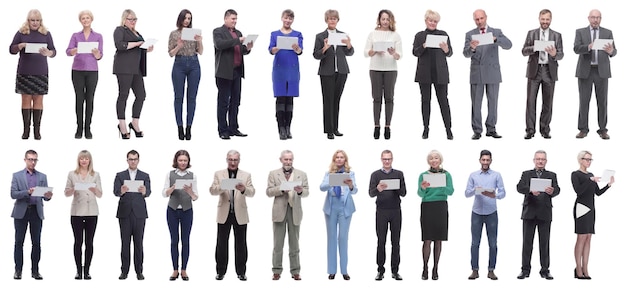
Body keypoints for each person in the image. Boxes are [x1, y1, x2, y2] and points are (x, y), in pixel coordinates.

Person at [463, 9, 512, 140]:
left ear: (486, 17)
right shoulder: (470, 34)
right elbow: (465, 53)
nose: (479, 21)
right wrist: (472, 47)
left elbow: (509, 45)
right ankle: (477, 130)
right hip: (477, 72)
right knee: (476, 103)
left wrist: (496, 39)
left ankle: (491, 128)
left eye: (481, 18)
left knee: (493, 102)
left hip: (493, 72)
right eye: (476, 19)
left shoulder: (496, 31)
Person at [10, 9, 56, 140]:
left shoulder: (46, 34)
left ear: (40, 21)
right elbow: (11, 49)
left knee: (38, 100)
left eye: (37, 20)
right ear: (28, 20)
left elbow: (54, 51)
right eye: (32, 20)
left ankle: (37, 131)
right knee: (25, 99)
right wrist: (19, 46)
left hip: (40, 71)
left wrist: (49, 53)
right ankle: (26, 130)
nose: (35, 23)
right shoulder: (21, 33)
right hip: (25, 71)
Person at [210, 150, 256, 281]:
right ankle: (220, 271)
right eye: (230, 159)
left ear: (239, 161)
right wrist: (222, 186)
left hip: (240, 213)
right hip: (224, 213)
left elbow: (252, 192)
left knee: (241, 244)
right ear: (227, 160)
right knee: (221, 244)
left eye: (235, 160)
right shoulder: (219, 174)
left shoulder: (246, 175)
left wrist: (243, 189)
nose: (233, 162)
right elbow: (212, 191)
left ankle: (241, 272)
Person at [515, 150, 560, 280]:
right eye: (538, 159)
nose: (540, 161)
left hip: (545, 213)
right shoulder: (526, 174)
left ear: (546, 161)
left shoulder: (552, 175)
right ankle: (525, 270)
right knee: (527, 243)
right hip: (529, 212)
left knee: (544, 243)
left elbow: (557, 189)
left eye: (543, 159)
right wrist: (529, 190)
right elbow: (519, 187)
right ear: (534, 160)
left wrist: (552, 191)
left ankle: (545, 270)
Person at [266, 150, 309, 280]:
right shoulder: (273, 173)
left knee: (294, 243)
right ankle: (276, 270)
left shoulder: (301, 174)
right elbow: (268, 192)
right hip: (279, 211)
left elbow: (307, 192)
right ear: (281, 160)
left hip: (295, 210)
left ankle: (295, 271)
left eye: (290, 159)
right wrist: (281, 189)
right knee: (278, 244)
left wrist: (301, 191)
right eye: (286, 159)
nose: (288, 162)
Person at [574, 9, 617, 140]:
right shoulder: (580, 32)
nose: (595, 20)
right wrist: (588, 47)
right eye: (593, 17)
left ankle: (603, 129)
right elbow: (576, 48)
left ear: (601, 19)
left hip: (601, 71)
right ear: (588, 18)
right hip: (585, 71)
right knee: (584, 101)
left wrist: (611, 51)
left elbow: (614, 51)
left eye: (598, 17)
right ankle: (583, 129)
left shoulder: (607, 32)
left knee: (602, 102)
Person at [11, 149, 53, 280]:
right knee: (19, 242)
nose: (33, 162)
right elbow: (13, 194)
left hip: (36, 211)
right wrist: (27, 192)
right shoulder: (17, 175)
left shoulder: (42, 176)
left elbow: (45, 197)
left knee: (36, 243)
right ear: (25, 160)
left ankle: (35, 271)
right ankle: (18, 270)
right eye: (30, 159)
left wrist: (48, 196)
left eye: (35, 159)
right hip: (21, 212)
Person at [572, 150, 614, 279]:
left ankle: (586, 268)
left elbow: (598, 193)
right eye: (587, 159)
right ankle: (578, 269)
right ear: (580, 160)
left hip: (591, 208)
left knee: (589, 238)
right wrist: (590, 180)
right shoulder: (576, 174)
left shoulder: (591, 175)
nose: (589, 162)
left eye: (590, 159)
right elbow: (578, 191)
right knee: (581, 238)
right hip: (581, 208)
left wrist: (608, 185)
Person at [521, 9, 563, 140]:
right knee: (530, 102)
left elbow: (561, 54)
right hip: (534, 71)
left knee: (548, 103)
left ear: (551, 20)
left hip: (549, 71)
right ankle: (530, 130)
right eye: (543, 19)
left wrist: (554, 54)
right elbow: (523, 51)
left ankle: (545, 129)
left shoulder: (557, 35)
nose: (545, 22)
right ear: (539, 19)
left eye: (547, 19)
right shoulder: (531, 33)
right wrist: (535, 47)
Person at [464, 149, 506, 280]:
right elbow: (466, 193)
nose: (485, 162)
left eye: (488, 160)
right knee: (475, 243)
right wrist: (474, 190)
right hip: (476, 212)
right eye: (483, 160)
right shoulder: (473, 175)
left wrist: (495, 195)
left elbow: (503, 193)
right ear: (480, 160)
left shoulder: (496, 175)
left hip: (491, 212)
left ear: (491, 161)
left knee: (493, 243)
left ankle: (491, 270)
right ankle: (474, 270)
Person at [313, 10, 354, 140]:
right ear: (326, 20)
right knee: (328, 100)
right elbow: (316, 55)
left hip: (341, 71)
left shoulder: (342, 35)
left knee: (336, 100)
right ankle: (329, 130)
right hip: (327, 72)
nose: (332, 21)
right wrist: (325, 48)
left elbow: (350, 53)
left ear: (337, 20)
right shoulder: (320, 36)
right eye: (330, 18)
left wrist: (348, 45)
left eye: (335, 19)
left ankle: (335, 128)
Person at [113, 9, 153, 139]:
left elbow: (138, 49)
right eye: (130, 19)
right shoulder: (120, 30)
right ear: (124, 19)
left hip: (137, 69)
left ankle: (135, 123)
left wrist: (146, 49)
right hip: (124, 68)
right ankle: (122, 124)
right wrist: (138, 43)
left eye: (135, 19)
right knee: (123, 95)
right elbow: (120, 45)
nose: (133, 21)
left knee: (141, 95)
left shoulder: (137, 33)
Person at [213, 9, 253, 140]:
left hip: (237, 71)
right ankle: (223, 130)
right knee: (223, 102)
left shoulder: (238, 33)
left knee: (236, 101)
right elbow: (220, 45)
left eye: (236, 19)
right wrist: (237, 41)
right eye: (232, 19)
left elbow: (241, 51)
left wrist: (247, 47)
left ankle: (233, 128)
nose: (235, 21)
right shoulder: (218, 32)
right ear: (225, 19)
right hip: (224, 72)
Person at [413, 10, 453, 140]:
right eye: (430, 20)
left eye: (435, 21)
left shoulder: (443, 34)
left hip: (440, 73)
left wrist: (446, 49)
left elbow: (450, 53)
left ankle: (448, 129)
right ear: (426, 21)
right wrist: (424, 45)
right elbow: (415, 52)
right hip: (424, 73)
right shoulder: (419, 35)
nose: (433, 23)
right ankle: (425, 128)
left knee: (443, 101)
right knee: (425, 101)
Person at [64, 150, 103, 280]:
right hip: (77, 212)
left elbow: (100, 194)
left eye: (86, 158)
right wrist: (74, 188)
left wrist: (94, 189)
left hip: (91, 211)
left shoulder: (95, 175)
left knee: (89, 242)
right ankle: (78, 270)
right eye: (82, 158)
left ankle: (87, 270)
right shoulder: (72, 174)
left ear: (90, 160)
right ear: (78, 160)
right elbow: (66, 193)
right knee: (78, 242)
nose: (84, 161)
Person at [113, 149, 151, 280]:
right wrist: (121, 191)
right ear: (127, 160)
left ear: (138, 160)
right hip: (124, 213)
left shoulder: (145, 175)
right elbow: (115, 191)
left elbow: (149, 192)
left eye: (135, 159)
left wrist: (145, 191)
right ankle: (124, 271)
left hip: (139, 213)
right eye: (130, 159)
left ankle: (139, 271)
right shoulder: (120, 175)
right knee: (125, 243)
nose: (133, 161)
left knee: (139, 243)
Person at [320, 149, 357, 280]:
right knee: (331, 238)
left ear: (345, 160)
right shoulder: (329, 173)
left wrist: (351, 185)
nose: (339, 159)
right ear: (334, 160)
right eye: (337, 157)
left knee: (343, 238)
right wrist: (332, 181)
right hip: (331, 207)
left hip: (345, 208)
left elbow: (355, 191)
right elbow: (321, 187)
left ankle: (344, 270)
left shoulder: (350, 173)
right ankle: (332, 270)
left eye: (342, 157)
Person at [369, 149, 406, 281]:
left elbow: (404, 193)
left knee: (396, 242)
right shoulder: (375, 175)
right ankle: (380, 270)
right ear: (381, 159)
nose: (387, 161)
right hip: (381, 211)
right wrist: (378, 189)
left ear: (392, 159)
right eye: (384, 159)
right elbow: (371, 193)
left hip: (395, 210)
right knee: (381, 241)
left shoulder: (399, 173)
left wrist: (395, 186)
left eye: (389, 159)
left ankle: (395, 271)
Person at [365, 9, 402, 140]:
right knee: (376, 98)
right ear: (379, 20)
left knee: (389, 98)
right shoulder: (372, 34)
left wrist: (393, 53)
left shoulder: (395, 35)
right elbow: (365, 53)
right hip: (375, 69)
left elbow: (399, 56)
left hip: (391, 70)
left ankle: (387, 126)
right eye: (383, 19)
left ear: (391, 20)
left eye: (387, 19)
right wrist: (375, 50)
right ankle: (376, 126)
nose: (385, 21)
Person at [66, 10, 103, 139]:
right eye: (83, 18)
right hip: (77, 70)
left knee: (90, 99)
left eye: (87, 18)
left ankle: (88, 128)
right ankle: (79, 127)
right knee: (79, 98)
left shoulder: (98, 36)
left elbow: (100, 55)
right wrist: (74, 51)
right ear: (80, 21)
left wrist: (97, 54)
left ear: (91, 19)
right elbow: (68, 51)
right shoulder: (76, 36)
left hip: (92, 70)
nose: (85, 20)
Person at [162, 150, 198, 281]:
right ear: (176, 161)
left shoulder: (192, 176)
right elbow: (164, 193)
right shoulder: (170, 174)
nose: (183, 163)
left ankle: (184, 270)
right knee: (174, 241)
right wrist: (171, 189)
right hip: (172, 210)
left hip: (187, 210)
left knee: (186, 240)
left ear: (188, 161)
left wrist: (190, 192)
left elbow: (195, 197)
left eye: (185, 160)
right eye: (180, 160)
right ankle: (175, 270)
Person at [417, 150, 454, 280]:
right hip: (427, 207)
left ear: (440, 160)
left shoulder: (446, 174)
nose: (434, 160)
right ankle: (425, 267)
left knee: (438, 239)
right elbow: (420, 194)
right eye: (431, 158)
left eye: (436, 158)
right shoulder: (423, 175)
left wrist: (442, 185)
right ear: (428, 161)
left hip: (441, 206)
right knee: (427, 239)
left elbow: (451, 191)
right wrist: (423, 188)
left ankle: (435, 268)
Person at [168, 9, 203, 141]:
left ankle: (189, 127)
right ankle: (180, 127)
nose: (187, 21)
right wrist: (178, 46)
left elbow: (200, 52)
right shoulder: (174, 33)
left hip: (194, 64)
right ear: (180, 19)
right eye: (185, 18)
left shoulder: (194, 33)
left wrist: (199, 41)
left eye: (189, 18)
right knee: (178, 97)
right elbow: (170, 54)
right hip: (179, 64)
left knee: (192, 98)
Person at [269, 9, 303, 140]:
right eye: (286, 18)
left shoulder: (298, 34)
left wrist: (297, 49)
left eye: (290, 19)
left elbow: (300, 51)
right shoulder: (274, 34)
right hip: (279, 69)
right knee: (280, 98)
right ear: (282, 18)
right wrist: (275, 49)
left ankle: (288, 128)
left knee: (290, 99)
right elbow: (271, 49)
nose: (288, 21)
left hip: (292, 69)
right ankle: (281, 128)